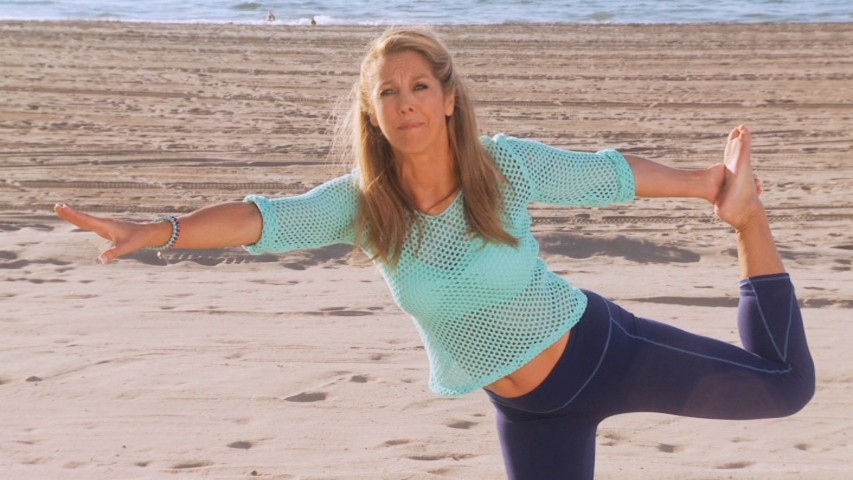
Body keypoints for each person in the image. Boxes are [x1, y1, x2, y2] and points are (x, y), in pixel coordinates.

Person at [55, 27, 815, 480]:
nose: (406, 101)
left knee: (785, 388)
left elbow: (607, 174)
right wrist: (158, 231)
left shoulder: (502, 165)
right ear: (372, 112)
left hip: (602, 354)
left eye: (419, 85)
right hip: (529, 414)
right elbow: (265, 220)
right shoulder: (365, 206)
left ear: (448, 99)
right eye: (388, 92)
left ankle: (751, 228)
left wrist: (712, 188)